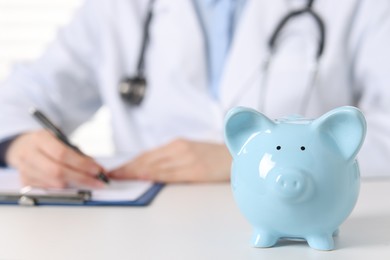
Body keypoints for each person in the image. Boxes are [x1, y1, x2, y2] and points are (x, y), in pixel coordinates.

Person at [0, 0, 389, 188]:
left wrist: (246, 158)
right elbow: (21, 99)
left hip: (298, 219)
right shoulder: (117, 8)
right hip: (145, 231)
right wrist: (18, 145)